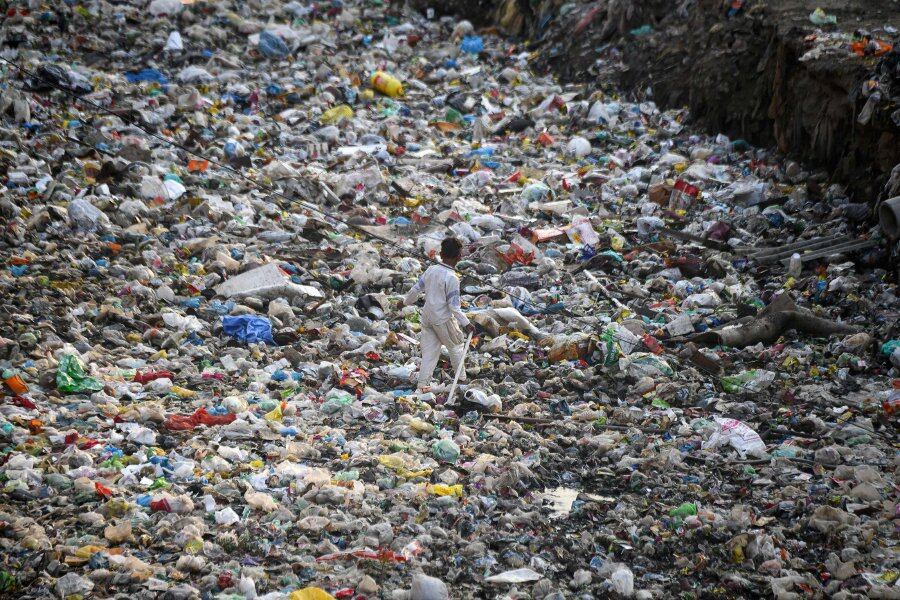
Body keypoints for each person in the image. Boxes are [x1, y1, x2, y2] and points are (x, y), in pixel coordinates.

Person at [404, 237, 475, 391]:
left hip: (427, 317)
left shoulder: (431, 270)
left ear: (441, 254)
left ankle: (422, 385)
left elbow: (416, 289)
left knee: (429, 353)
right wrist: (466, 323)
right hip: (442, 319)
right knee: (456, 346)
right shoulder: (452, 278)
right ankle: (461, 381)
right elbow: (454, 306)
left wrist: (405, 303)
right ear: (458, 257)